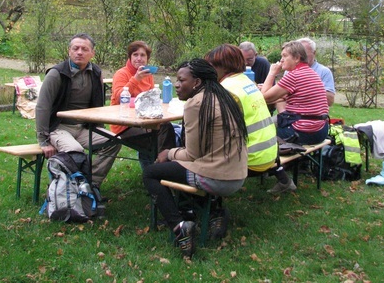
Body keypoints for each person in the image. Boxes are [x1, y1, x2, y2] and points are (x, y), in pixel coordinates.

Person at [142, 59, 248, 258]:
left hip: (218, 178)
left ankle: (179, 227)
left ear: (197, 83)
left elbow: (192, 155)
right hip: (238, 174)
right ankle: (215, 211)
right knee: (181, 166)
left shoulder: (196, 103)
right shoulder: (223, 97)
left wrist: (168, 153)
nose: (176, 84)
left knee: (150, 173)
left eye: (182, 80)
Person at [35, 33, 120, 200]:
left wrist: (100, 129)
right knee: (76, 152)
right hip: (58, 127)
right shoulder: (56, 74)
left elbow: (97, 105)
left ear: (92, 53)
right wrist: (43, 140)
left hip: (84, 128)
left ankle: (90, 184)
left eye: (84, 49)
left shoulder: (95, 73)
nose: (79, 52)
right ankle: (71, 188)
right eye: (75, 48)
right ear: (69, 51)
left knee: (114, 141)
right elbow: (42, 107)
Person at [205, 44, 296, 194]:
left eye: (212, 66)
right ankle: (284, 180)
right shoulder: (247, 82)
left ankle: (209, 206)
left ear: (222, 66)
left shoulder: (225, 89)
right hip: (271, 154)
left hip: (251, 160)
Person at [110, 40, 176, 166]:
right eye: (135, 55)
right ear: (130, 57)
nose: (139, 58)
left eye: (143, 55)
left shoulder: (148, 75)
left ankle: (164, 166)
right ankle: (156, 169)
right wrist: (136, 79)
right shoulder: (121, 73)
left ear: (147, 58)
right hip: (124, 124)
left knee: (167, 127)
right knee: (157, 136)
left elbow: (151, 100)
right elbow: (120, 98)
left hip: (146, 120)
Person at [260, 40, 329, 145]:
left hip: (304, 131)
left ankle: (270, 160)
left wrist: (272, 73)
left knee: (260, 130)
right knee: (272, 122)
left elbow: (264, 98)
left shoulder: (294, 76)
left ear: (297, 58)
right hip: (321, 130)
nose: (281, 60)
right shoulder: (310, 72)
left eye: (284, 56)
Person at [298, 37, 336, 106]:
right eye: (298, 53)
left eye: (304, 53)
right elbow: (280, 97)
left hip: (315, 115)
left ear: (314, 53)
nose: (301, 56)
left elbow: (330, 101)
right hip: (292, 114)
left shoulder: (324, 71)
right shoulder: (289, 71)